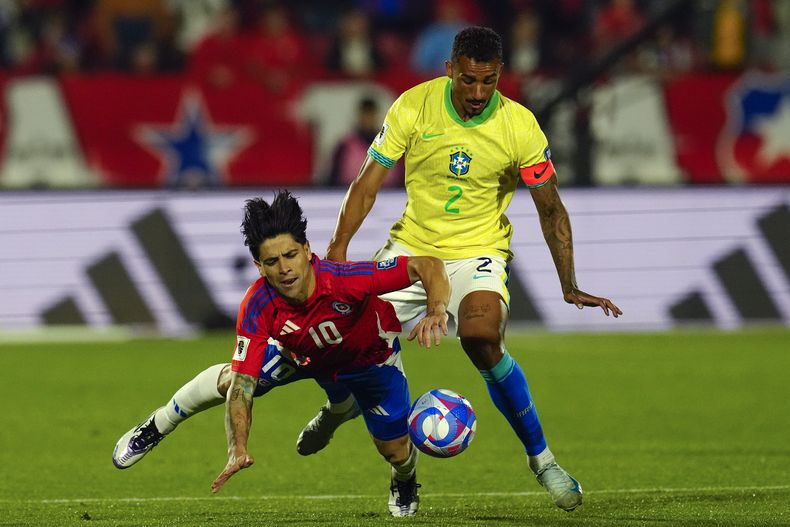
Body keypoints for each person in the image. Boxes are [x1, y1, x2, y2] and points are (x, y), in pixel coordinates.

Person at [297, 26, 623, 513]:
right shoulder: (414, 105)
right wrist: (338, 250)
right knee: (341, 333)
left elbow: (551, 208)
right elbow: (367, 183)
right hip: (413, 247)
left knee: (482, 338)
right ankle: (345, 411)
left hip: (479, 252)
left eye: (487, 81)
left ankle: (543, 461)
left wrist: (569, 284)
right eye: (467, 80)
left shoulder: (520, 126)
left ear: (499, 76)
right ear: (449, 69)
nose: (476, 93)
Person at [112, 190, 450, 517]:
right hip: (301, 357)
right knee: (231, 377)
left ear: (306, 249)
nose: (284, 268)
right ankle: (157, 425)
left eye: (290, 255)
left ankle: (402, 477)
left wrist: (436, 309)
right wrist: (238, 447)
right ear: (259, 266)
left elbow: (428, 265)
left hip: (370, 364)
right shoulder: (258, 304)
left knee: (395, 451)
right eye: (272, 261)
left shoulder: (347, 279)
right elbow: (243, 385)